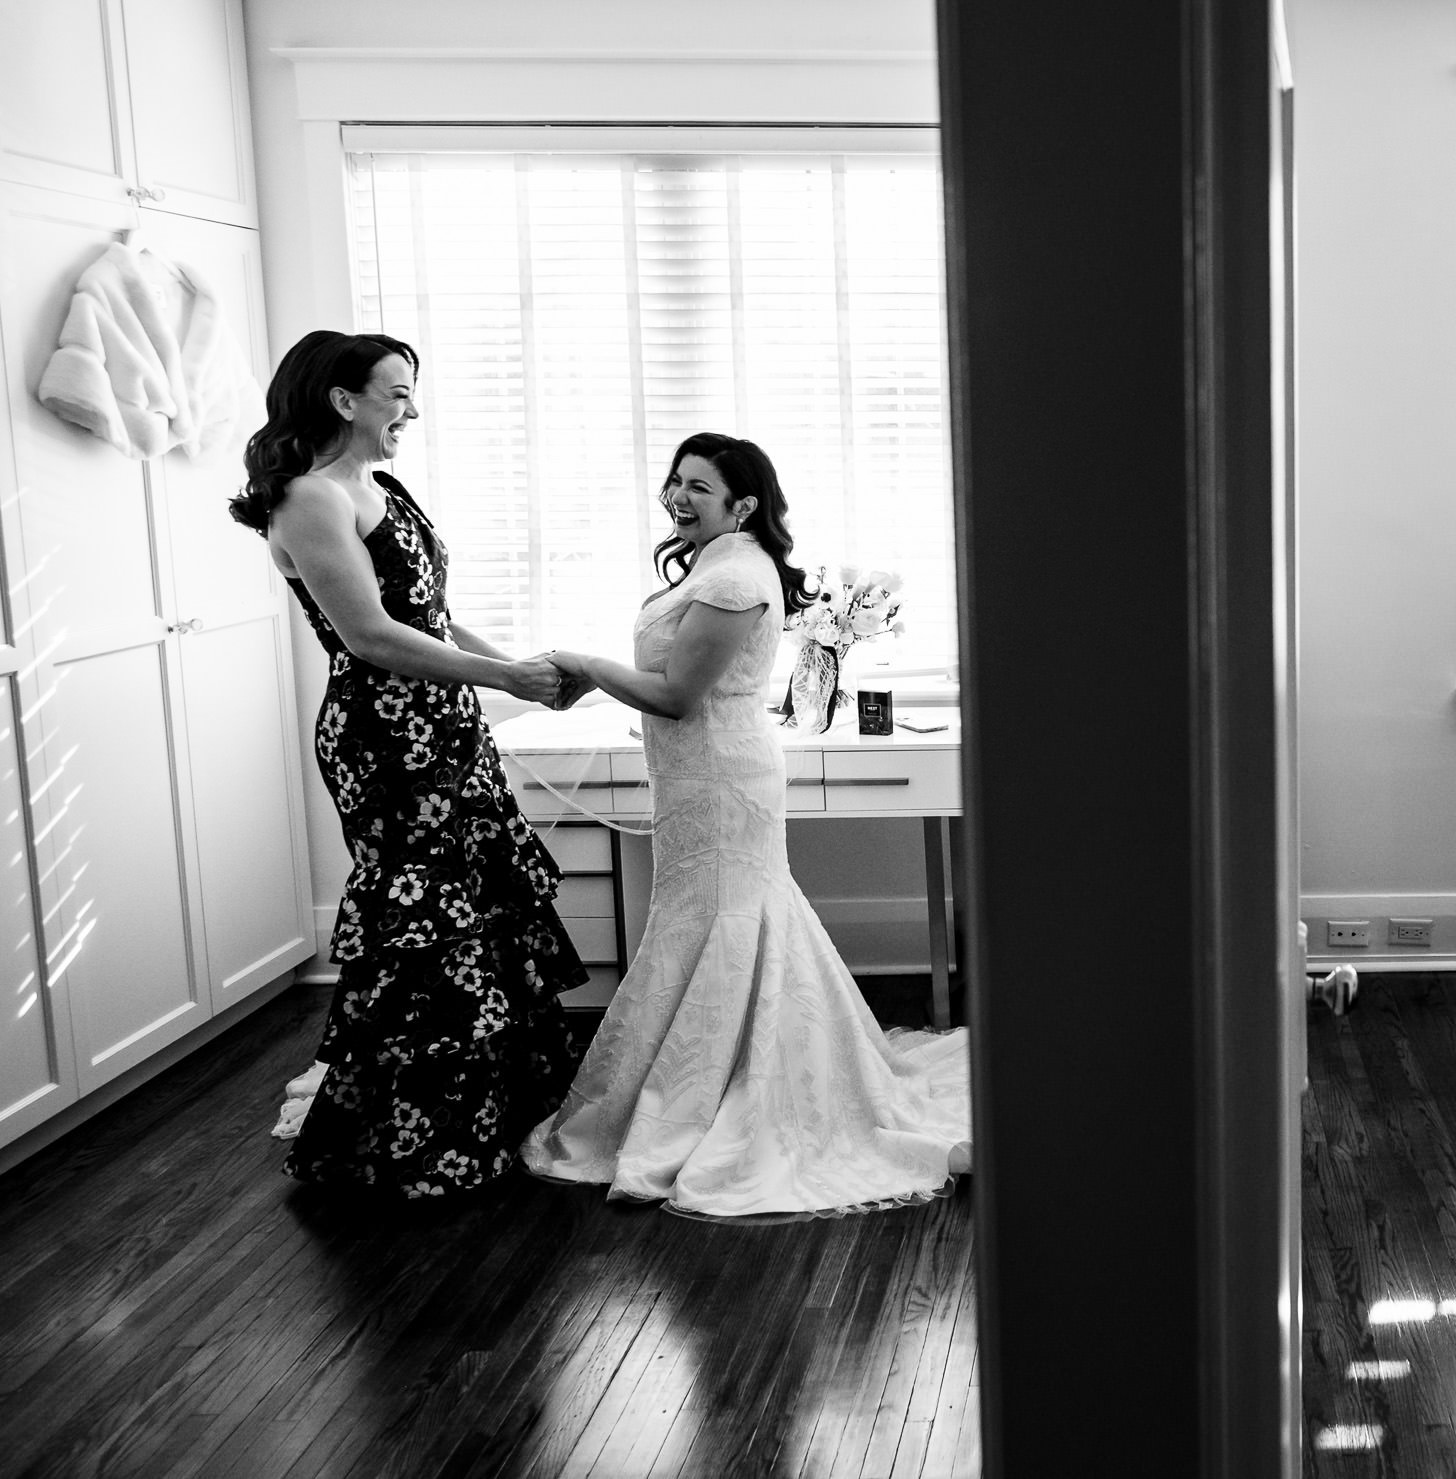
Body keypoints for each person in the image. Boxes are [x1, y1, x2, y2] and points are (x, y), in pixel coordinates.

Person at [520, 433, 971, 1219]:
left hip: (723, 776)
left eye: (699, 485)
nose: (678, 496)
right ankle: (721, 1071)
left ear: (744, 502)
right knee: (715, 917)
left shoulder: (736, 575)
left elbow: (676, 693)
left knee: (732, 915)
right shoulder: (713, 563)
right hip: (696, 775)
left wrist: (586, 666)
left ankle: (724, 1091)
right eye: (675, 481)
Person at [230, 330, 589, 1196]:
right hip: (385, 737)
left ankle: (493, 1114)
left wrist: (523, 675)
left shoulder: (380, 486)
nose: (412, 411)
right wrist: (507, 676)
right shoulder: (312, 499)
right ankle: (411, 1139)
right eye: (397, 393)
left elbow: (430, 616)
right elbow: (373, 637)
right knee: (425, 925)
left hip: (445, 725)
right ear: (342, 399)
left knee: (483, 905)